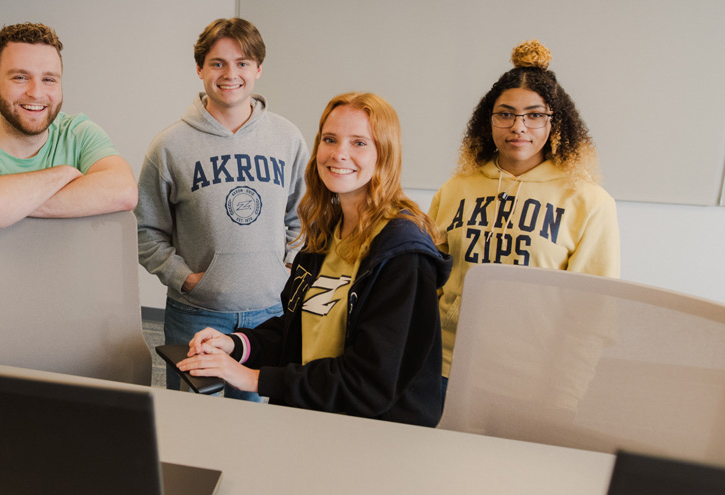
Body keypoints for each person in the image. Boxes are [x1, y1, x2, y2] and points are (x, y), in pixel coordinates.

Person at [176, 92, 451, 425]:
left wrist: (253, 379)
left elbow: (369, 382)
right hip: (313, 418)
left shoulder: (403, 255)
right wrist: (236, 344)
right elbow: (296, 329)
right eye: (330, 139)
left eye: (360, 143)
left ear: (385, 154)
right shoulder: (325, 235)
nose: (339, 154)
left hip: (374, 435)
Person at [428, 40, 620, 391]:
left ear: (555, 123)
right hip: (443, 367)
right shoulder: (454, 190)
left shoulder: (589, 202)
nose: (518, 127)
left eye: (534, 115)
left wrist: (567, 394)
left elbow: (591, 316)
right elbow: (428, 283)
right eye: (506, 114)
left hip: (531, 379)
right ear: (489, 121)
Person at [136, 18, 307, 401]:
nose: (231, 74)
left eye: (243, 63)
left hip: (270, 316)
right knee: (192, 424)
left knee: (254, 427)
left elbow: (303, 216)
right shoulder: (169, 146)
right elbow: (146, 230)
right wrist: (185, 277)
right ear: (200, 69)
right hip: (196, 313)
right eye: (217, 63)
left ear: (258, 69)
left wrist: (287, 266)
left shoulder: (288, 138)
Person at [0, 22, 137, 230]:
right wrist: (65, 173)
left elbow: (124, 190)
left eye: (48, 79)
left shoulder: (79, 134)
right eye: (20, 77)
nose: (36, 93)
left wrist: (1, 188)